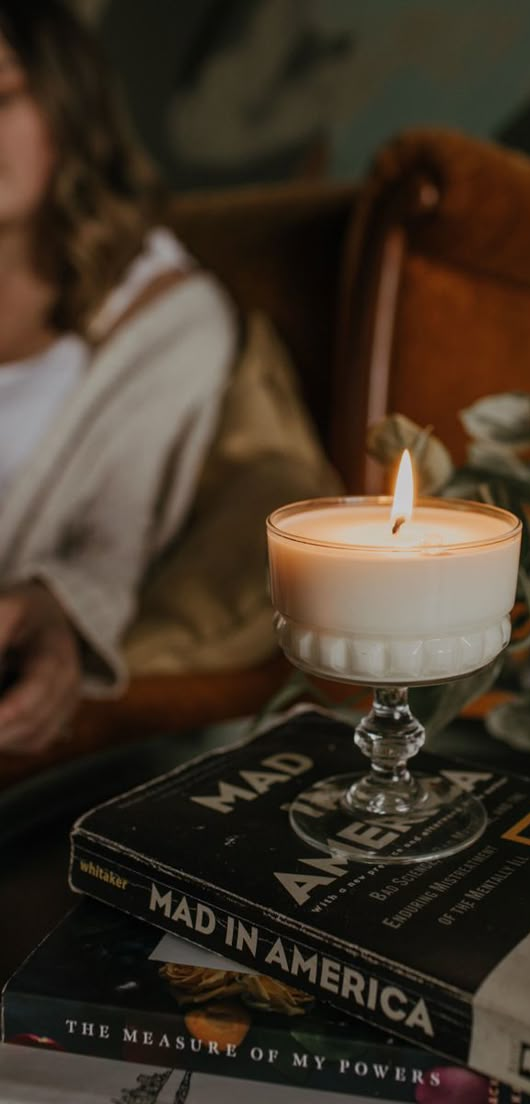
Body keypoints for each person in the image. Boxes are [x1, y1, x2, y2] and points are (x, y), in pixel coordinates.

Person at [0, 0, 237, 755]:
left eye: (0, 96)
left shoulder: (168, 321)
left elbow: (117, 536)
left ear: (69, 103)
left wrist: (53, 610)